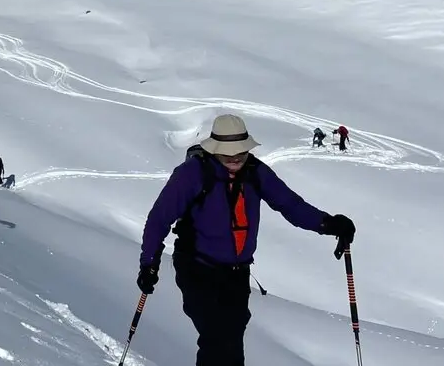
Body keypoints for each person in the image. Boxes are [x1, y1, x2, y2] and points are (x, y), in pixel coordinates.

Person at [137, 114, 355, 366]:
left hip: (237, 275)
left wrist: (328, 224)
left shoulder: (255, 172)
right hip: (197, 269)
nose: (236, 159)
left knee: (232, 343)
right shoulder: (192, 174)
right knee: (216, 339)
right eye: (229, 154)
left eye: (240, 153)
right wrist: (149, 262)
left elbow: (290, 205)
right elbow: (159, 219)